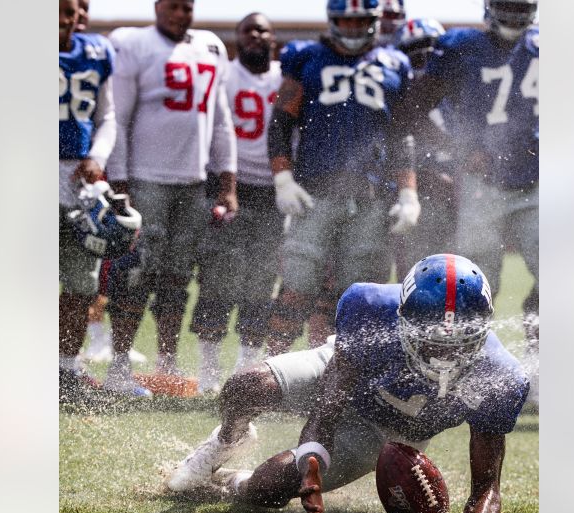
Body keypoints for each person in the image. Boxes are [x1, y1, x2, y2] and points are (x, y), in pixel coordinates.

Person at [167, 254, 529, 513]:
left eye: (460, 342)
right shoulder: (368, 308)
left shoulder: (500, 377)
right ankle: (225, 442)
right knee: (244, 386)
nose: (444, 356)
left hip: (392, 435)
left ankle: (235, 481)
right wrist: (312, 452)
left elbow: (487, 486)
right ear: (402, 320)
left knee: (268, 488)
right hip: (346, 380)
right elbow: (329, 403)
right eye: (431, 341)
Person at [263, 0, 420, 357]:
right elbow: (280, 123)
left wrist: (408, 193)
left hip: (371, 197)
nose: (353, 29)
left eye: (361, 21)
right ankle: (271, 367)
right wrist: (283, 179)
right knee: (298, 284)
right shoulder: (305, 58)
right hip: (315, 192)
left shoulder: (395, 63)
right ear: (333, 21)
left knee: (363, 293)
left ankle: (349, 375)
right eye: (346, 22)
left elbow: (402, 135)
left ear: (374, 21)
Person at [104, 0, 237, 396]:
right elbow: (119, 116)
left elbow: (221, 118)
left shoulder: (211, 46)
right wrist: (120, 182)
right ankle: (119, 364)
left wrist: (228, 182)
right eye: (174, 6)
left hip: (192, 183)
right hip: (145, 180)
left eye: (188, 7)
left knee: (178, 277)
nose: (181, 14)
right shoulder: (135, 44)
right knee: (135, 273)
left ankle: (166, 365)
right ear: (158, 6)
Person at [410, 0, 539, 396]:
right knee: (475, 285)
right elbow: (413, 108)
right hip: (483, 184)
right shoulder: (461, 47)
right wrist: (461, 149)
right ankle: (467, 370)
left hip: (537, 181)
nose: (514, 12)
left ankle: (538, 368)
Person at [187, 13, 284, 395]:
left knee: (262, 279)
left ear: (273, 38)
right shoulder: (225, 73)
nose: (256, 35)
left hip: (273, 188)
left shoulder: (284, 76)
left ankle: (247, 370)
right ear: (237, 39)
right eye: (249, 30)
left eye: (263, 29)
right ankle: (209, 370)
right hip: (230, 183)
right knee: (218, 274)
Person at [59, 0, 117, 401]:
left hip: (77, 180)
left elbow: (107, 115)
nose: (68, 16)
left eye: (74, 8)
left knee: (81, 285)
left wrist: (97, 155)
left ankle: (64, 371)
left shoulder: (95, 52)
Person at [391, 17, 457, 272]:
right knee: (413, 270)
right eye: (415, 57)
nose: (424, 64)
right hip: (416, 194)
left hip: (458, 190)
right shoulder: (395, 95)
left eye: (429, 55)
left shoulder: (458, 91)